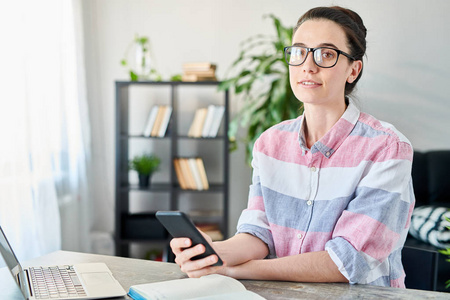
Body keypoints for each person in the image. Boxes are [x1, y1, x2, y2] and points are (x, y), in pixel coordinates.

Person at [170, 6, 415, 288]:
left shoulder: (388, 148)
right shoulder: (270, 144)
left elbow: (348, 261)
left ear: (353, 70)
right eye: (299, 52)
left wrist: (235, 271)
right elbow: (259, 233)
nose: (308, 66)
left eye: (326, 54)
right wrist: (214, 253)